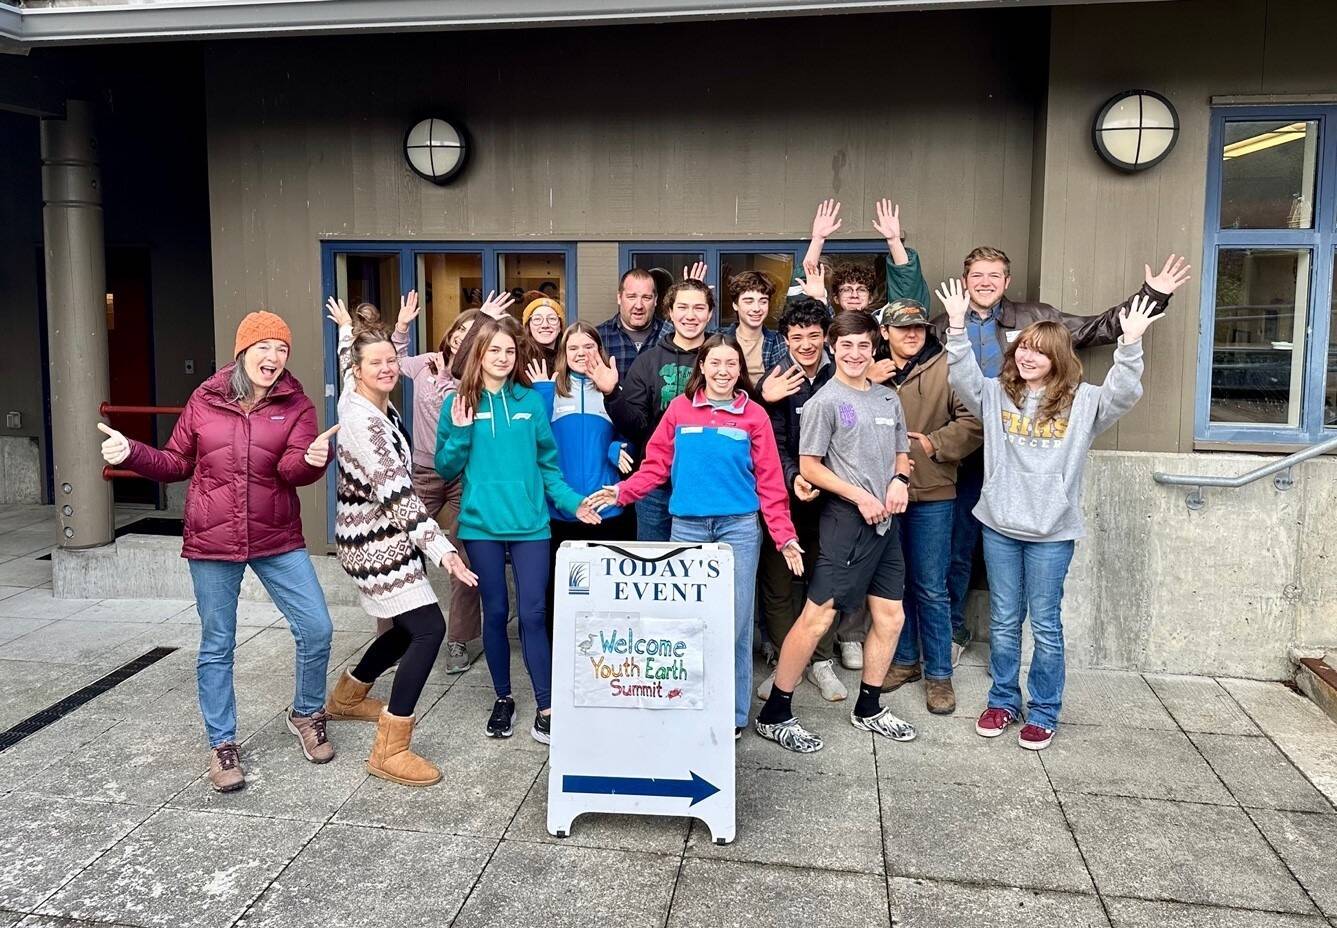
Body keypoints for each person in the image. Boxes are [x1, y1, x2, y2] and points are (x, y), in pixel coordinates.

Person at [97, 311, 338, 792]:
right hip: (213, 537)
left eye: (281, 349)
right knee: (217, 644)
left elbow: (291, 469)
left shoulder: (296, 405)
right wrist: (133, 454)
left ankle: (307, 713)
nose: (272, 357)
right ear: (243, 351)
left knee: (316, 627)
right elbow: (176, 461)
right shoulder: (205, 398)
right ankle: (222, 744)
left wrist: (312, 462)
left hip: (276, 535)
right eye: (263, 347)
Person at [931, 247, 1191, 667]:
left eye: (994, 275)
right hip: (963, 444)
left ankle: (1035, 699)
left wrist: (1151, 297)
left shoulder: (1036, 319)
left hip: (1026, 442)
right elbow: (929, 367)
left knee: (1036, 609)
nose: (985, 282)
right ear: (965, 280)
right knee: (958, 546)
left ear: (1007, 281)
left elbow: (1097, 329)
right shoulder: (944, 323)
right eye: (977, 274)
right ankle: (955, 629)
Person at [939, 278, 1160, 750]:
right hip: (1000, 525)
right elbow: (960, 376)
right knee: (1001, 620)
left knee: (1044, 624)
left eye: (1038, 351)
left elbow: (1123, 392)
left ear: (1057, 356)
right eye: (1022, 348)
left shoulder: (1084, 402)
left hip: (1052, 531)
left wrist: (1131, 342)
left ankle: (1043, 710)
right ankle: (1002, 701)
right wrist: (957, 327)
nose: (1027, 356)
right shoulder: (997, 393)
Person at [589, 334, 803, 738]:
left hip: (737, 529)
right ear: (701, 367)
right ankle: (684, 702)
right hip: (686, 528)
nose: (723, 372)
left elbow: (771, 483)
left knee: (736, 624)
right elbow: (655, 467)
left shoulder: (753, 415)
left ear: (740, 371)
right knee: (685, 622)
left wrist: (784, 536)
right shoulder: (679, 410)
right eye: (715, 363)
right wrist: (622, 490)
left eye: (731, 365)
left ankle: (734, 715)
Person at [753, 311, 916, 754]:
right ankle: (775, 714)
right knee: (818, 616)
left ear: (874, 346)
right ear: (833, 348)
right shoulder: (826, 400)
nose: (855, 354)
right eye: (846, 346)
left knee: (890, 617)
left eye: (863, 345)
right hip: (846, 522)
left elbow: (902, 453)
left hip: (886, 524)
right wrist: (860, 496)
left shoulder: (887, 399)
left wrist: (899, 481)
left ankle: (869, 707)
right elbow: (809, 466)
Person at [435, 317, 603, 743]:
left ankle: (547, 706)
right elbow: (445, 467)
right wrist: (461, 430)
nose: (503, 358)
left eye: (510, 352)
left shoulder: (531, 402)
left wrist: (574, 503)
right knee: (495, 612)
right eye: (495, 350)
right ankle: (504, 697)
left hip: (531, 526)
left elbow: (549, 467)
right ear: (479, 353)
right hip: (481, 527)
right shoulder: (458, 403)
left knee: (533, 613)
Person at [327, 292, 512, 674]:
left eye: (471, 333)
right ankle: (390, 641)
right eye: (459, 330)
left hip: (460, 474)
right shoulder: (423, 365)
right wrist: (390, 328)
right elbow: (379, 360)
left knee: (465, 557)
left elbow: (364, 367)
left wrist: (483, 325)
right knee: (401, 555)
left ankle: (459, 640)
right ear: (448, 334)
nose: (463, 338)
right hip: (420, 475)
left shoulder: (469, 374)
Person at [328, 319, 479, 786]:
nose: (388, 368)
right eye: (376, 363)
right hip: (373, 542)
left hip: (381, 536)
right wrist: (444, 551)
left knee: (406, 624)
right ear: (357, 370)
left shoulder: (365, 400)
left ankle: (348, 698)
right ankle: (390, 749)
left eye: (392, 360)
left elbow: (347, 357)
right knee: (429, 630)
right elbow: (399, 498)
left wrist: (347, 334)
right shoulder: (364, 424)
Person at [873, 299, 983, 715]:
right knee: (893, 587)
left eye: (917, 327)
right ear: (885, 333)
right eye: (902, 328)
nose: (912, 334)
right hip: (883, 493)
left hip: (934, 491)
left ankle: (939, 674)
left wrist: (934, 444)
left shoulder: (948, 366)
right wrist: (866, 379)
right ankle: (903, 662)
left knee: (931, 587)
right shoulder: (871, 368)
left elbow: (974, 420)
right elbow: (842, 412)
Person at [753, 299, 845, 702]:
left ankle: (821, 659)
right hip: (783, 495)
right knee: (777, 582)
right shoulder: (776, 380)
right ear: (785, 340)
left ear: (825, 336)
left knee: (824, 578)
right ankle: (785, 659)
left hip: (834, 495)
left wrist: (825, 480)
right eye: (796, 337)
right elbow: (771, 439)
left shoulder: (842, 373)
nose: (805, 344)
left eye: (813, 336)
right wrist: (793, 478)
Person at [528, 321, 636, 636]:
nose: (581, 353)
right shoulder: (548, 390)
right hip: (561, 508)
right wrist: (544, 393)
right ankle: (558, 653)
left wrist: (618, 447)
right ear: (562, 353)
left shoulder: (611, 386)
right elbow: (534, 441)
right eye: (573, 347)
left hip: (607, 507)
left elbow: (631, 430)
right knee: (560, 590)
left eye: (588, 346)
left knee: (607, 589)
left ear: (599, 350)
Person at [605, 275, 714, 542]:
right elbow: (635, 426)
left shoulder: (721, 357)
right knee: (656, 572)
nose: (691, 315)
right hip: (656, 488)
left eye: (699, 308)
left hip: (708, 485)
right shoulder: (648, 361)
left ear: (710, 314)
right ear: (669, 312)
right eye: (683, 307)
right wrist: (611, 394)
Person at [596, 268, 672, 376]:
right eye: (631, 297)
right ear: (619, 298)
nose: (639, 306)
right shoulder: (599, 337)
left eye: (646, 298)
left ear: (655, 300)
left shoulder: (670, 336)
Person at [721, 270, 788, 382]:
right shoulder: (718, 338)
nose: (756, 308)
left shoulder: (780, 341)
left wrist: (820, 298)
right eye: (749, 301)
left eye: (763, 301)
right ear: (735, 305)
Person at [523, 297, 565, 370]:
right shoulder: (518, 358)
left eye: (552, 319)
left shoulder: (569, 358)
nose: (545, 325)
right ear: (528, 327)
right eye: (537, 319)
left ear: (560, 327)